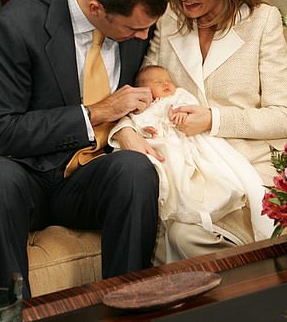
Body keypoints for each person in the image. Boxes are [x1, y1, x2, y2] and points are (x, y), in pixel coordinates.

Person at [0, 0, 168, 299]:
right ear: (96, 8)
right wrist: (98, 111)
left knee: (134, 170)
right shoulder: (17, 25)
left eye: (147, 29)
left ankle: (129, 307)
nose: (143, 38)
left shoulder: (135, 26)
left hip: (84, 178)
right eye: (134, 29)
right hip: (21, 173)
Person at [113, 0, 287, 260]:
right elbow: (145, 88)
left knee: (183, 235)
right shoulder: (169, 19)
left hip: (247, 166)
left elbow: (285, 117)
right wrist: (125, 130)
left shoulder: (262, 21)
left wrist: (212, 120)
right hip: (181, 163)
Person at [113, 65, 273, 262]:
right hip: (167, 149)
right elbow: (134, 116)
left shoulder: (178, 96)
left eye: (168, 80)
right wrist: (129, 131)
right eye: (158, 82)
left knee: (203, 184)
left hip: (212, 145)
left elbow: (285, 116)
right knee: (168, 179)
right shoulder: (160, 38)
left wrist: (211, 119)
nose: (165, 83)